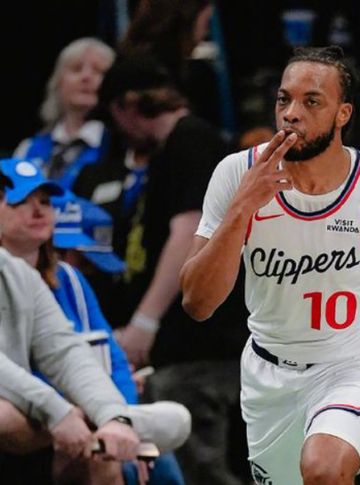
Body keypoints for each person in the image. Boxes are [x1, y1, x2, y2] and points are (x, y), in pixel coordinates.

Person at [180, 45, 360, 485]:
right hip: (269, 374)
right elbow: (197, 302)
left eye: (311, 102)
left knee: (324, 466)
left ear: (343, 114)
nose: (291, 113)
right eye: (284, 99)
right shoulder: (236, 174)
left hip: (357, 366)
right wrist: (242, 209)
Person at [75, 55, 249, 484]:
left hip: (203, 345)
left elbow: (189, 232)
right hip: (195, 344)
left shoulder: (190, 141)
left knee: (200, 470)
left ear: (125, 107)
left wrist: (144, 322)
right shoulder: (175, 148)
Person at [0, 159, 191, 484]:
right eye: (20, 202)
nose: (37, 211)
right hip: (46, 414)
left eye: (45, 202)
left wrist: (116, 418)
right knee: (4, 416)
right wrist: (62, 411)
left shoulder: (52, 279)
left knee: (139, 453)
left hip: (60, 418)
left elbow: (70, 353)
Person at [13, 37, 116, 189]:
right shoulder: (28, 148)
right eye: (76, 69)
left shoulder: (118, 149)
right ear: (57, 82)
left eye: (98, 71)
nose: (86, 77)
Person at [117, 0, 222, 130]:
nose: (205, 34)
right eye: (206, 24)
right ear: (186, 21)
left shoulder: (126, 62)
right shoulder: (146, 74)